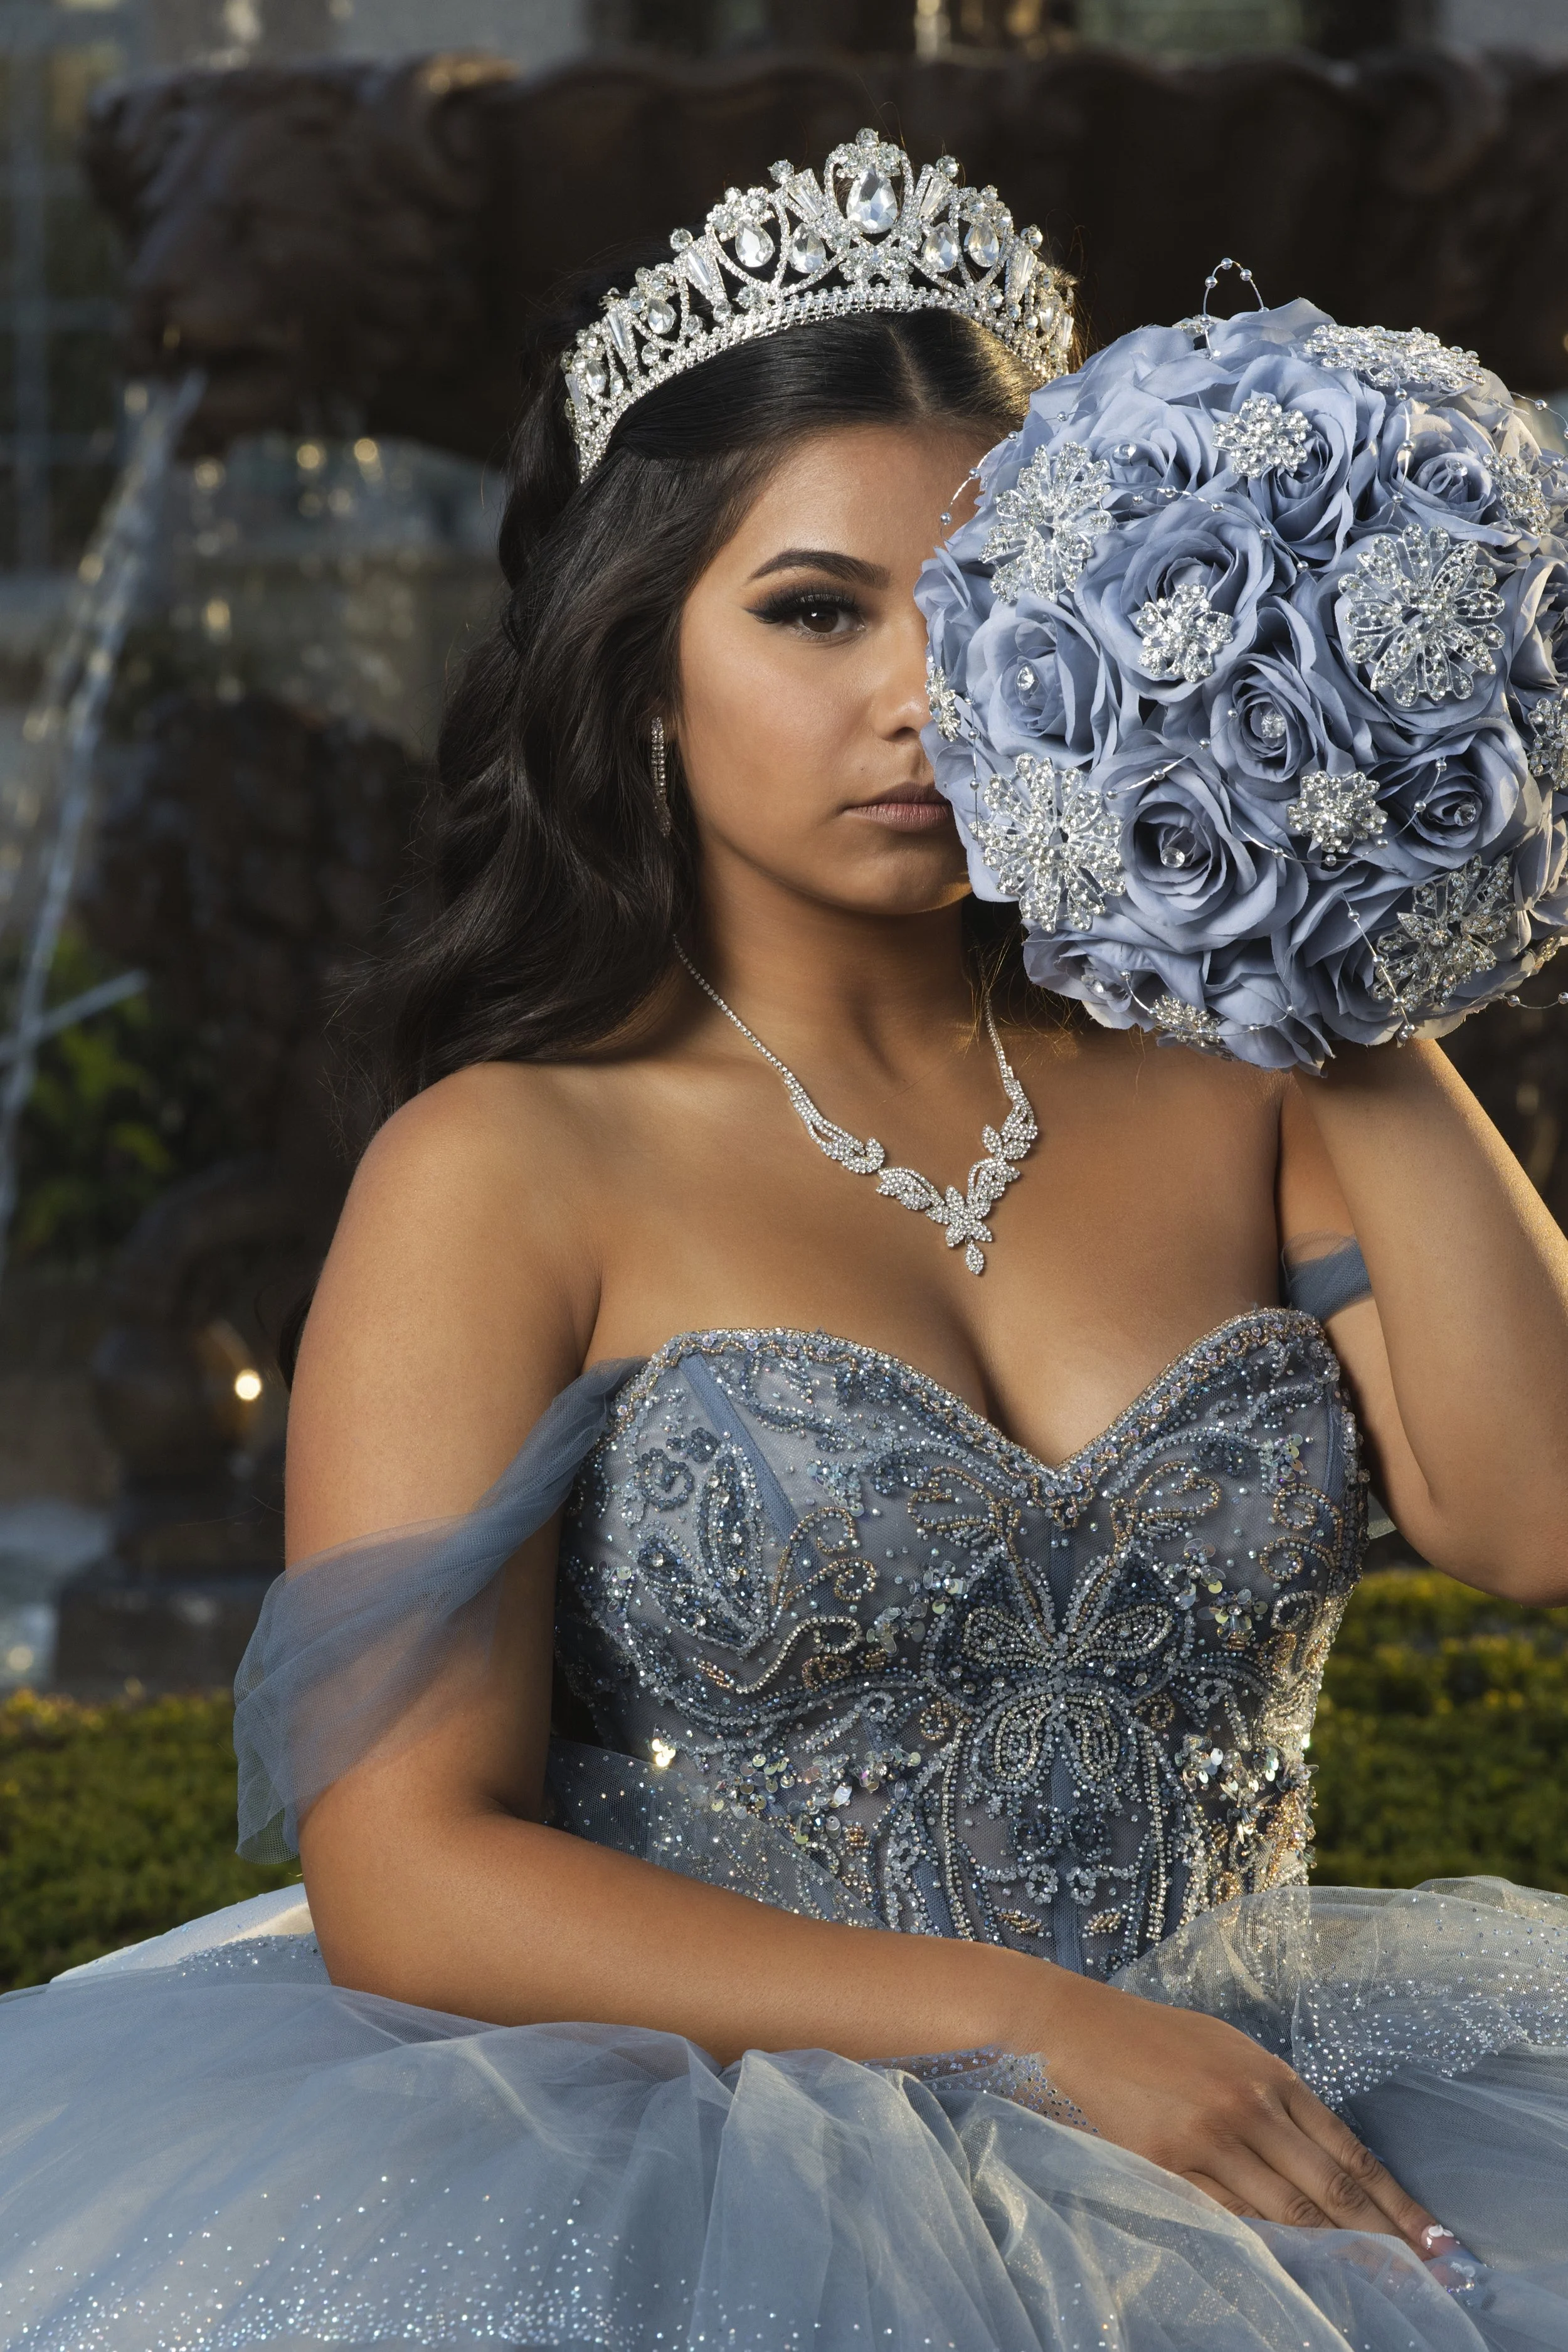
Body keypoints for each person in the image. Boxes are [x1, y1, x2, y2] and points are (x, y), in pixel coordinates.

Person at [3, 135, 1567, 2352]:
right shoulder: (507, 1162)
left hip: (1269, 2151)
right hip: (701, 2181)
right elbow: (406, 1868)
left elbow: (1530, 1514)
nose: (921, 697)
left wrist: (1313, 911)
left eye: (986, 607)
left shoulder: (1253, 1076)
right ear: (641, 662)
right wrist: (1020, 2028)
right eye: (815, 607)